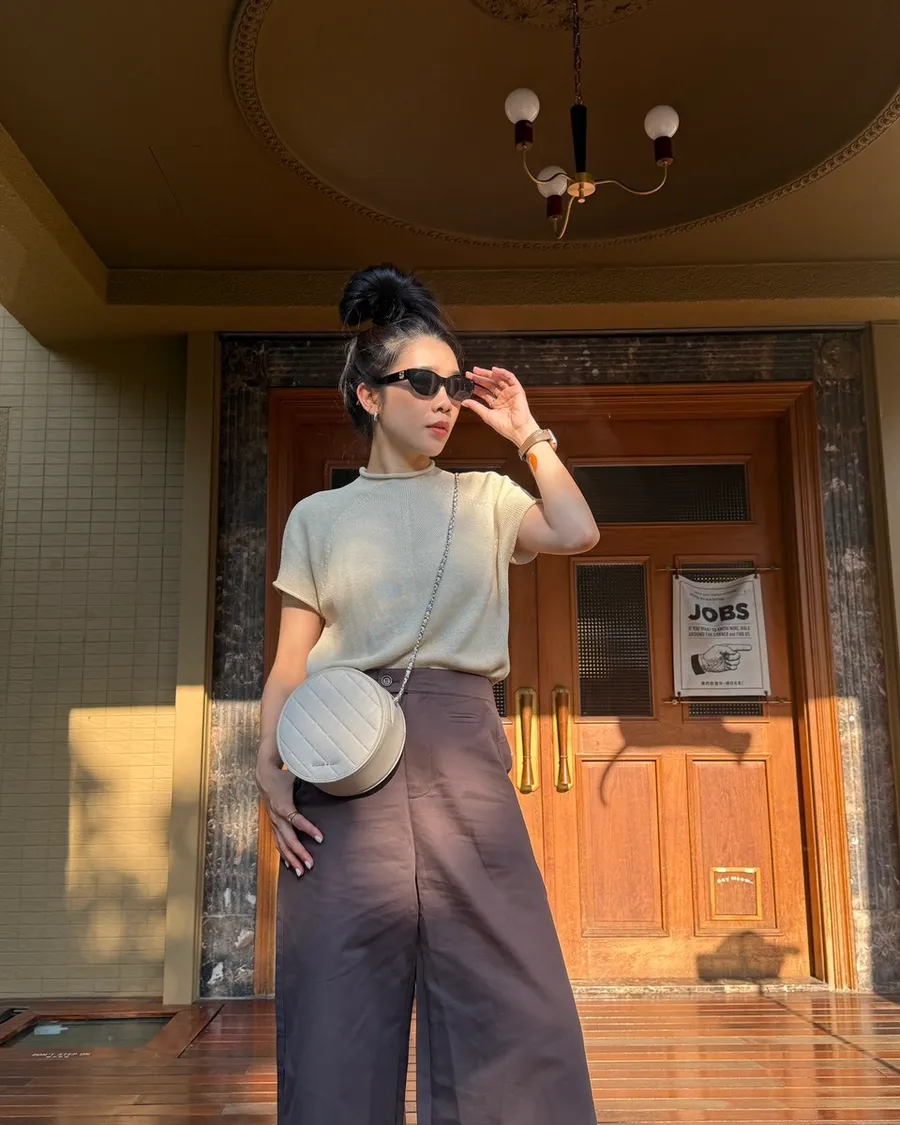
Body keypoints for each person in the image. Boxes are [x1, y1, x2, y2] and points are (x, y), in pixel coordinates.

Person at [256, 264, 600, 1125]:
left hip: (460, 751)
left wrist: (527, 433)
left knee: (510, 990)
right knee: (336, 992)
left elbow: (576, 529)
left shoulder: (486, 497)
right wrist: (267, 767)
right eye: (421, 383)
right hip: (344, 759)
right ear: (370, 396)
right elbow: (291, 661)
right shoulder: (317, 517)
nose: (444, 402)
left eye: (452, 385)